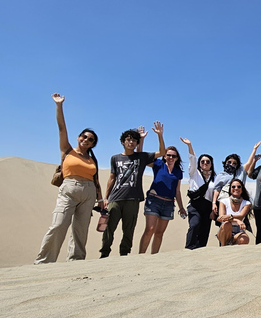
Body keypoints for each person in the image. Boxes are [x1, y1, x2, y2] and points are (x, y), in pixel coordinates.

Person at [35, 93, 103, 264]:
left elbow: (96, 180)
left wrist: (100, 199)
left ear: (93, 144)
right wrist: (59, 106)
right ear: (78, 137)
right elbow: (61, 128)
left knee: (81, 230)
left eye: (91, 139)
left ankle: (76, 261)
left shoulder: (92, 159)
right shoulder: (67, 150)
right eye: (84, 137)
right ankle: (43, 261)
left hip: (88, 193)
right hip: (69, 189)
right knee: (58, 225)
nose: (86, 140)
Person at [99, 125, 162, 258]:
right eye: (128, 139)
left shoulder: (141, 157)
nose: (131, 142)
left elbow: (162, 152)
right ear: (123, 142)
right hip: (115, 198)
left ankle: (124, 253)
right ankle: (104, 253)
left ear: (137, 143)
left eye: (134, 140)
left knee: (129, 229)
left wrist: (159, 135)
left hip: (133, 199)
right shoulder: (115, 158)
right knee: (109, 227)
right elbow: (112, 178)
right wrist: (106, 198)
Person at [138, 143, 187, 254]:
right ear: (164, 156)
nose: (171, 158)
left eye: (173, 156)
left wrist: (181, 207)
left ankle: (154, 257)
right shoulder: (158, 164)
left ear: (177, 158)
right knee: (150, 229)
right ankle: (140, 256)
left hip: (168, 204)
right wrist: (141, 140)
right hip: (154, 200)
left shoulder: (178, 172)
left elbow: (177, 191)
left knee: (159, 232)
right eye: (168, 155)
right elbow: (141, 157)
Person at [180, 137, 215, 250]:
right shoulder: (194, 173)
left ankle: (200, 251)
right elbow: (192, 159)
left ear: (211, 164)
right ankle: (189, 248)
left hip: (208, 206)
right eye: (202, 161)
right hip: (195, 205)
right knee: (194, 225)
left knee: (204, 230)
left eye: (208, 162)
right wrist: (189, 145)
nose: (205, 163)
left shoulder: (215, 178)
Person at [216, 179, 252, 246]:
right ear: (230, 189)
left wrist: (228, 216)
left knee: (244, 239)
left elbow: (241, 216)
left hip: (239, 230)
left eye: (239, 187)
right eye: (233, 187)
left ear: (242, 189)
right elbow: (221, 218)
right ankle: (223, 247)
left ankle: (233, 249)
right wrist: (236, 220)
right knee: (227, 224)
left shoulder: (246, 203)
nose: (236, 188)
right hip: (225, 230)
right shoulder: (223, 201)